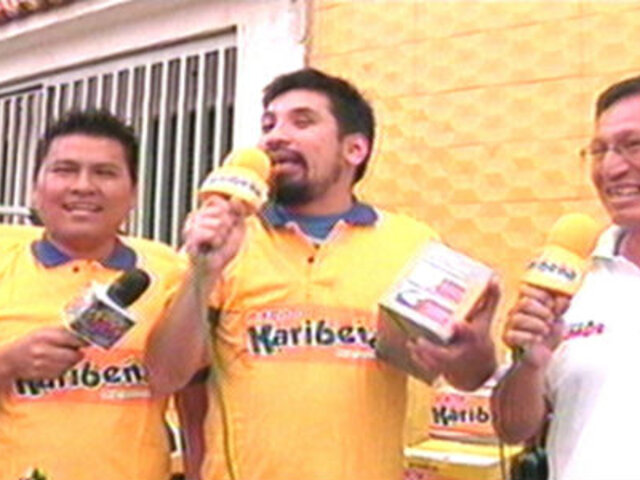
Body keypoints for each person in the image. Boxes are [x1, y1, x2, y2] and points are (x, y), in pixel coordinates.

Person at [146, 68, 498, 480]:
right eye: (268, 124)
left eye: (302, 121)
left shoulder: (412, 243)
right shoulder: (226, 240)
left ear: (355, 149)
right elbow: (166, 376)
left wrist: (474, 352)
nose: (275, 137)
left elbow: (466, 376)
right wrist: (203, 272)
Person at [0, 109, 186, 480]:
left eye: (104, 172)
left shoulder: (169, 271)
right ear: (35, 189)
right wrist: (6, 363)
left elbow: (196, 394)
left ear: (133, 193)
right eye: (65, 170)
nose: (83, 186)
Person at [491, 75, 640, 480]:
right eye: (599, 150)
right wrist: (530, 364)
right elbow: (514, 429)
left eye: (634, 145)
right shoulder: (571, 281)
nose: (610, 168)